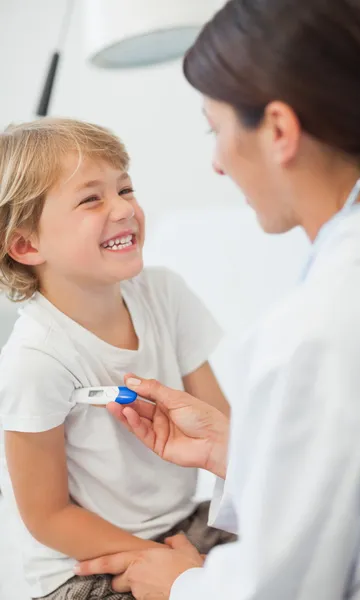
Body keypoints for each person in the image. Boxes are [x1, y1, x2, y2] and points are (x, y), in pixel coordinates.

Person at [74, 0, 360, 598]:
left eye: (215, 128)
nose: (217, 163)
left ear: (278, 129)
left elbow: (281, 588)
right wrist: (236, 452)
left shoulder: (317, 333)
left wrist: (183, 585)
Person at [0, 118, 235, 600]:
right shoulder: (36, 358)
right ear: (27, 244)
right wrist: (168, 568)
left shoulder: (164, 294)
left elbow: (221, 425)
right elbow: (47, 516)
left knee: (301, 551)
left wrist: (188, 568)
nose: (124, 208)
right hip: (86, 564)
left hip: (182, 525)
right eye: (92, 198)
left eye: (125, 188)